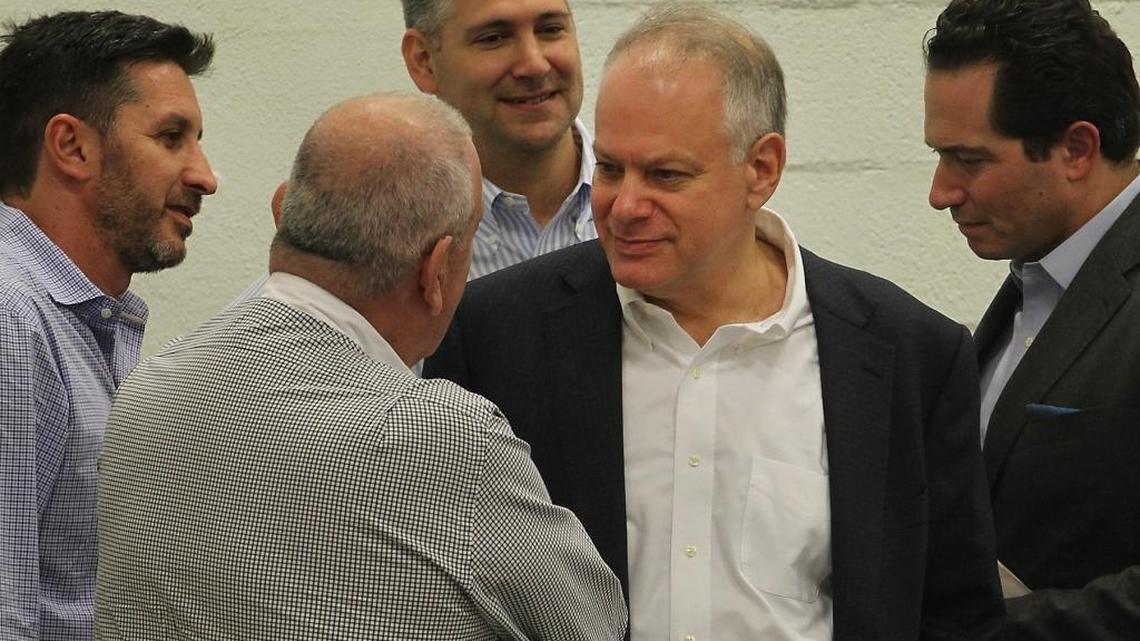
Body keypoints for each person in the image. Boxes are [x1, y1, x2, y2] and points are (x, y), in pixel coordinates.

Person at [425, 4, 1004, 640]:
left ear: (762, 168)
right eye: (611, 169)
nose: (625, 206)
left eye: (666, 175)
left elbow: (957, 615)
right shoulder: (493, 334)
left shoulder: (909, 356)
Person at [95, 93, 627, 641]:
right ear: (436, 269)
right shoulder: (447, 439)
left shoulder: (146, 390)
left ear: (282, 209)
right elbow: (593, 625)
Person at [924, 0, 1140, 638]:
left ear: (1076, 148)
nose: (941, 192)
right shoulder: (1036, 285)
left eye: (971, 160)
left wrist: (982, 628)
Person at [0, 11, 216, 640]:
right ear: (71, 146)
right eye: (171, 136)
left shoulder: (92, 318)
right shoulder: (12, 317)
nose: (205, 175)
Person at [401, 0, 595, 279]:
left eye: (551, 29)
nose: (534, 65)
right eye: (494, 38)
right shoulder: (387, 244)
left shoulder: (658, 211)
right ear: (424, 61)